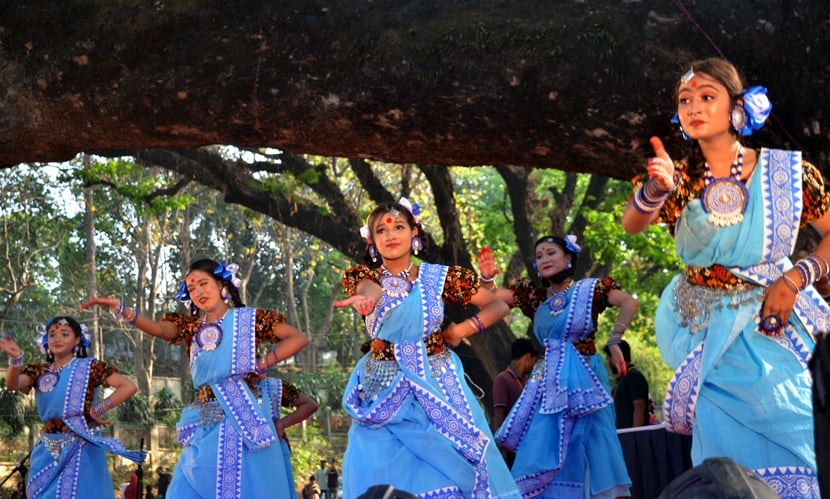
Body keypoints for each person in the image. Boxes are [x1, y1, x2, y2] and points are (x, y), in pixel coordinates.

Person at [621, 57, 829, 496]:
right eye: (684, 100)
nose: (693, 106)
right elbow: (632, 223)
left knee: (796, 424)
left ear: (738, 107)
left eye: (706, 96)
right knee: (725, 460)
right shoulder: (675, 178)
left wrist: (795, 279)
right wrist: (655, 190)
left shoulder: (788, 175)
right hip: (703, 334)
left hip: (773, 322)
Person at [335, 198, 521, 498]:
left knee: (454, 457)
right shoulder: (365, 278)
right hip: (383, 385)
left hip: (438, 380)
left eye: (399, 226)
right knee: (375, 459)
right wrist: (367, 299)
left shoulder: (440, 277)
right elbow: (368, 291)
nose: (391, 234)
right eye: (381, 230)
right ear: (372, 241)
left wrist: (461, 330)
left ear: (414, 232)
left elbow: (497, 305)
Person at [82, 258, 309, 498]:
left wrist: (263, 363)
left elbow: (298, 338)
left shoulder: (249, 321)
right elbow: (158, 329)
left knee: (241, 486)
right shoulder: (190, 327)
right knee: (184, 487)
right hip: (204, 419)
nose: (198, 292)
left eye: (203, 283)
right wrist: (121, 309)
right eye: (191, 288)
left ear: (222, 284)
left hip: (241, 418)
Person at [479, 234, 635, 498]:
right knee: (542, 442)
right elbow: (491, 297)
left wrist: (615, 339)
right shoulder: (535, 296)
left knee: (598, 442)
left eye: (551, 253)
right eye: (539, 256)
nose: (544, 259)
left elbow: (629, 302)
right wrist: (486, 278)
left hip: (587, 378)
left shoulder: (589, 290)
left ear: (569, 257)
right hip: (549, 381)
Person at [0, 316, 145, 499]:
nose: (57, 339)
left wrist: (96, 410)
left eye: (64, 334)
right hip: (47, 450)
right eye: (52, 335)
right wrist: (15, 360)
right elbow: (13, 385)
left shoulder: (90, 367)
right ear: (46, 340)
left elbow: (128, 386)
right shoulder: (39, 371)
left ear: (77, 339)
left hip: (82, 447)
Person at [259, 377, 318, 499]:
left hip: (274, 450)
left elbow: (309, 405)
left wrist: (281, 424)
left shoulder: (273, 386)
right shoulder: (220, 385)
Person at [492, 337, 537, 468]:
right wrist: (500, 447)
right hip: (509, 450)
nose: (534, 365)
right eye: (534, 361)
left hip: (527, 448)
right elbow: (499, 413)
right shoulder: (503, 379)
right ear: (528, 357)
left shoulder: (528, 382)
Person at [603, 339, 649, 429]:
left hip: (630, 436)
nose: (608, 362)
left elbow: (639, 406)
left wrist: (635, 435)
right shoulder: (623, 379)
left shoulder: (634, 377)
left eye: (609, 358)